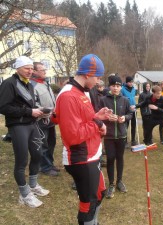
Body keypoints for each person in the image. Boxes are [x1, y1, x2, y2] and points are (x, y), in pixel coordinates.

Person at [53, 54, 110, 225]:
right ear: (87, 74)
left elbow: (85, 119)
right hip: (81, 158)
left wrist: (98, 118)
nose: (99, 81)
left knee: (99, 194)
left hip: (92, 153)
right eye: (97, 77)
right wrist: (97, 124)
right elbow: (73, 136)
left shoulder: (81, 91)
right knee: (89, 203)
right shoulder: (69, 95)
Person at [0, 56, 49, 208]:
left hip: (31, 124)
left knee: (38, 155)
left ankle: (33, 185)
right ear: (17, 68)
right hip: (18, 126)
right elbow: (3, 107)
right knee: (21, 161)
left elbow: (30, 105)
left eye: (31, 68)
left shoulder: (29, 85)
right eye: (26, 68)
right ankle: (24, 194)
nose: (30, 71)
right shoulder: (9, 83)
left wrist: (39, 110)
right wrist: (30, 111)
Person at [98, 76, 133, 199]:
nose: (116, 88)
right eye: (113, 86)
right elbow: (98, 115)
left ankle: (119, 181)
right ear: (110, 86)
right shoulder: (103, 100)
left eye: (118, 86)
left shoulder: (125, 100)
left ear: (121, 87)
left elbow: (130, 114)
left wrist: (125, 118)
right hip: (109, 135)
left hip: (122, 134)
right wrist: (107, 118)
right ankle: (111, 184)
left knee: (120, 158)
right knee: (111, 158)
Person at [31, 62, 58, 176]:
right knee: (43, 144)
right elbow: (33, 103)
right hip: (40, 120)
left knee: (52, 142)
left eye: (44, 69)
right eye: (42, 70)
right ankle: (45, 167)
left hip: (50, 119)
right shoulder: (32, 85)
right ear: (34, 71)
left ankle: (50, 163)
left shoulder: (46, 83)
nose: (45, 72)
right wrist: (44, 110)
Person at [135, 85, 163, 152]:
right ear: (153, 93)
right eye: (158, 93)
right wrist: (135, 106)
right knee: (147, 130)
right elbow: (143, 104)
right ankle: (146, 142)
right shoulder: (148, 98)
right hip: (154, 117)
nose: (160, 94)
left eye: (160, 93)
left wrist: (156, 108)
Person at [89, 80, 107, 167]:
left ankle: (99, 158)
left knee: (99, 139)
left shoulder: (102, 95)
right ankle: (98, 159)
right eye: (98, 86)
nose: (100, 88)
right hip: (95, 118)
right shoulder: (92, 92)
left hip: (99, 117)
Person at [121, 76, 137, 147]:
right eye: (130, 82)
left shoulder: (133, 89)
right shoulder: (122, 89)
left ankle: (133, 140)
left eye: (132, 82)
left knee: (134, 125)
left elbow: (133, 98)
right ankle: (125, 140)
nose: (131, 83)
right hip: (126, 110)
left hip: (133, 109)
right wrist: (127, 106)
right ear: (127, 82)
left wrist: (134, 106)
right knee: (125, 126)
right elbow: (121, 99)